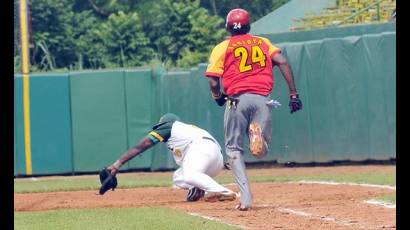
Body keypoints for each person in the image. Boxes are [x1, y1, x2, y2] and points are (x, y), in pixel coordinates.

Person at [205, 8, 303, 211]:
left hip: (237, 101)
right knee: (260, 151)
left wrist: (217, 97)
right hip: (262, 100)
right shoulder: (263, 43)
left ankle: (246, 199)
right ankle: (258, 138)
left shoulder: (222, 47)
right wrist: (294, 94)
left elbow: (214, 82)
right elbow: (282, 62)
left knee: (233, 150)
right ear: (249, 26)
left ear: (228, 27)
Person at [105, 113, 237, 202]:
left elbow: (141, 146)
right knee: (178, 177)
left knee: (190, 174)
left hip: (202, 149)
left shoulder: (169, 126)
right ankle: (199, 188)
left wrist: (118, 164)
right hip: (215, 159)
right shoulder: (186, 131)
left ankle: (223, 192)